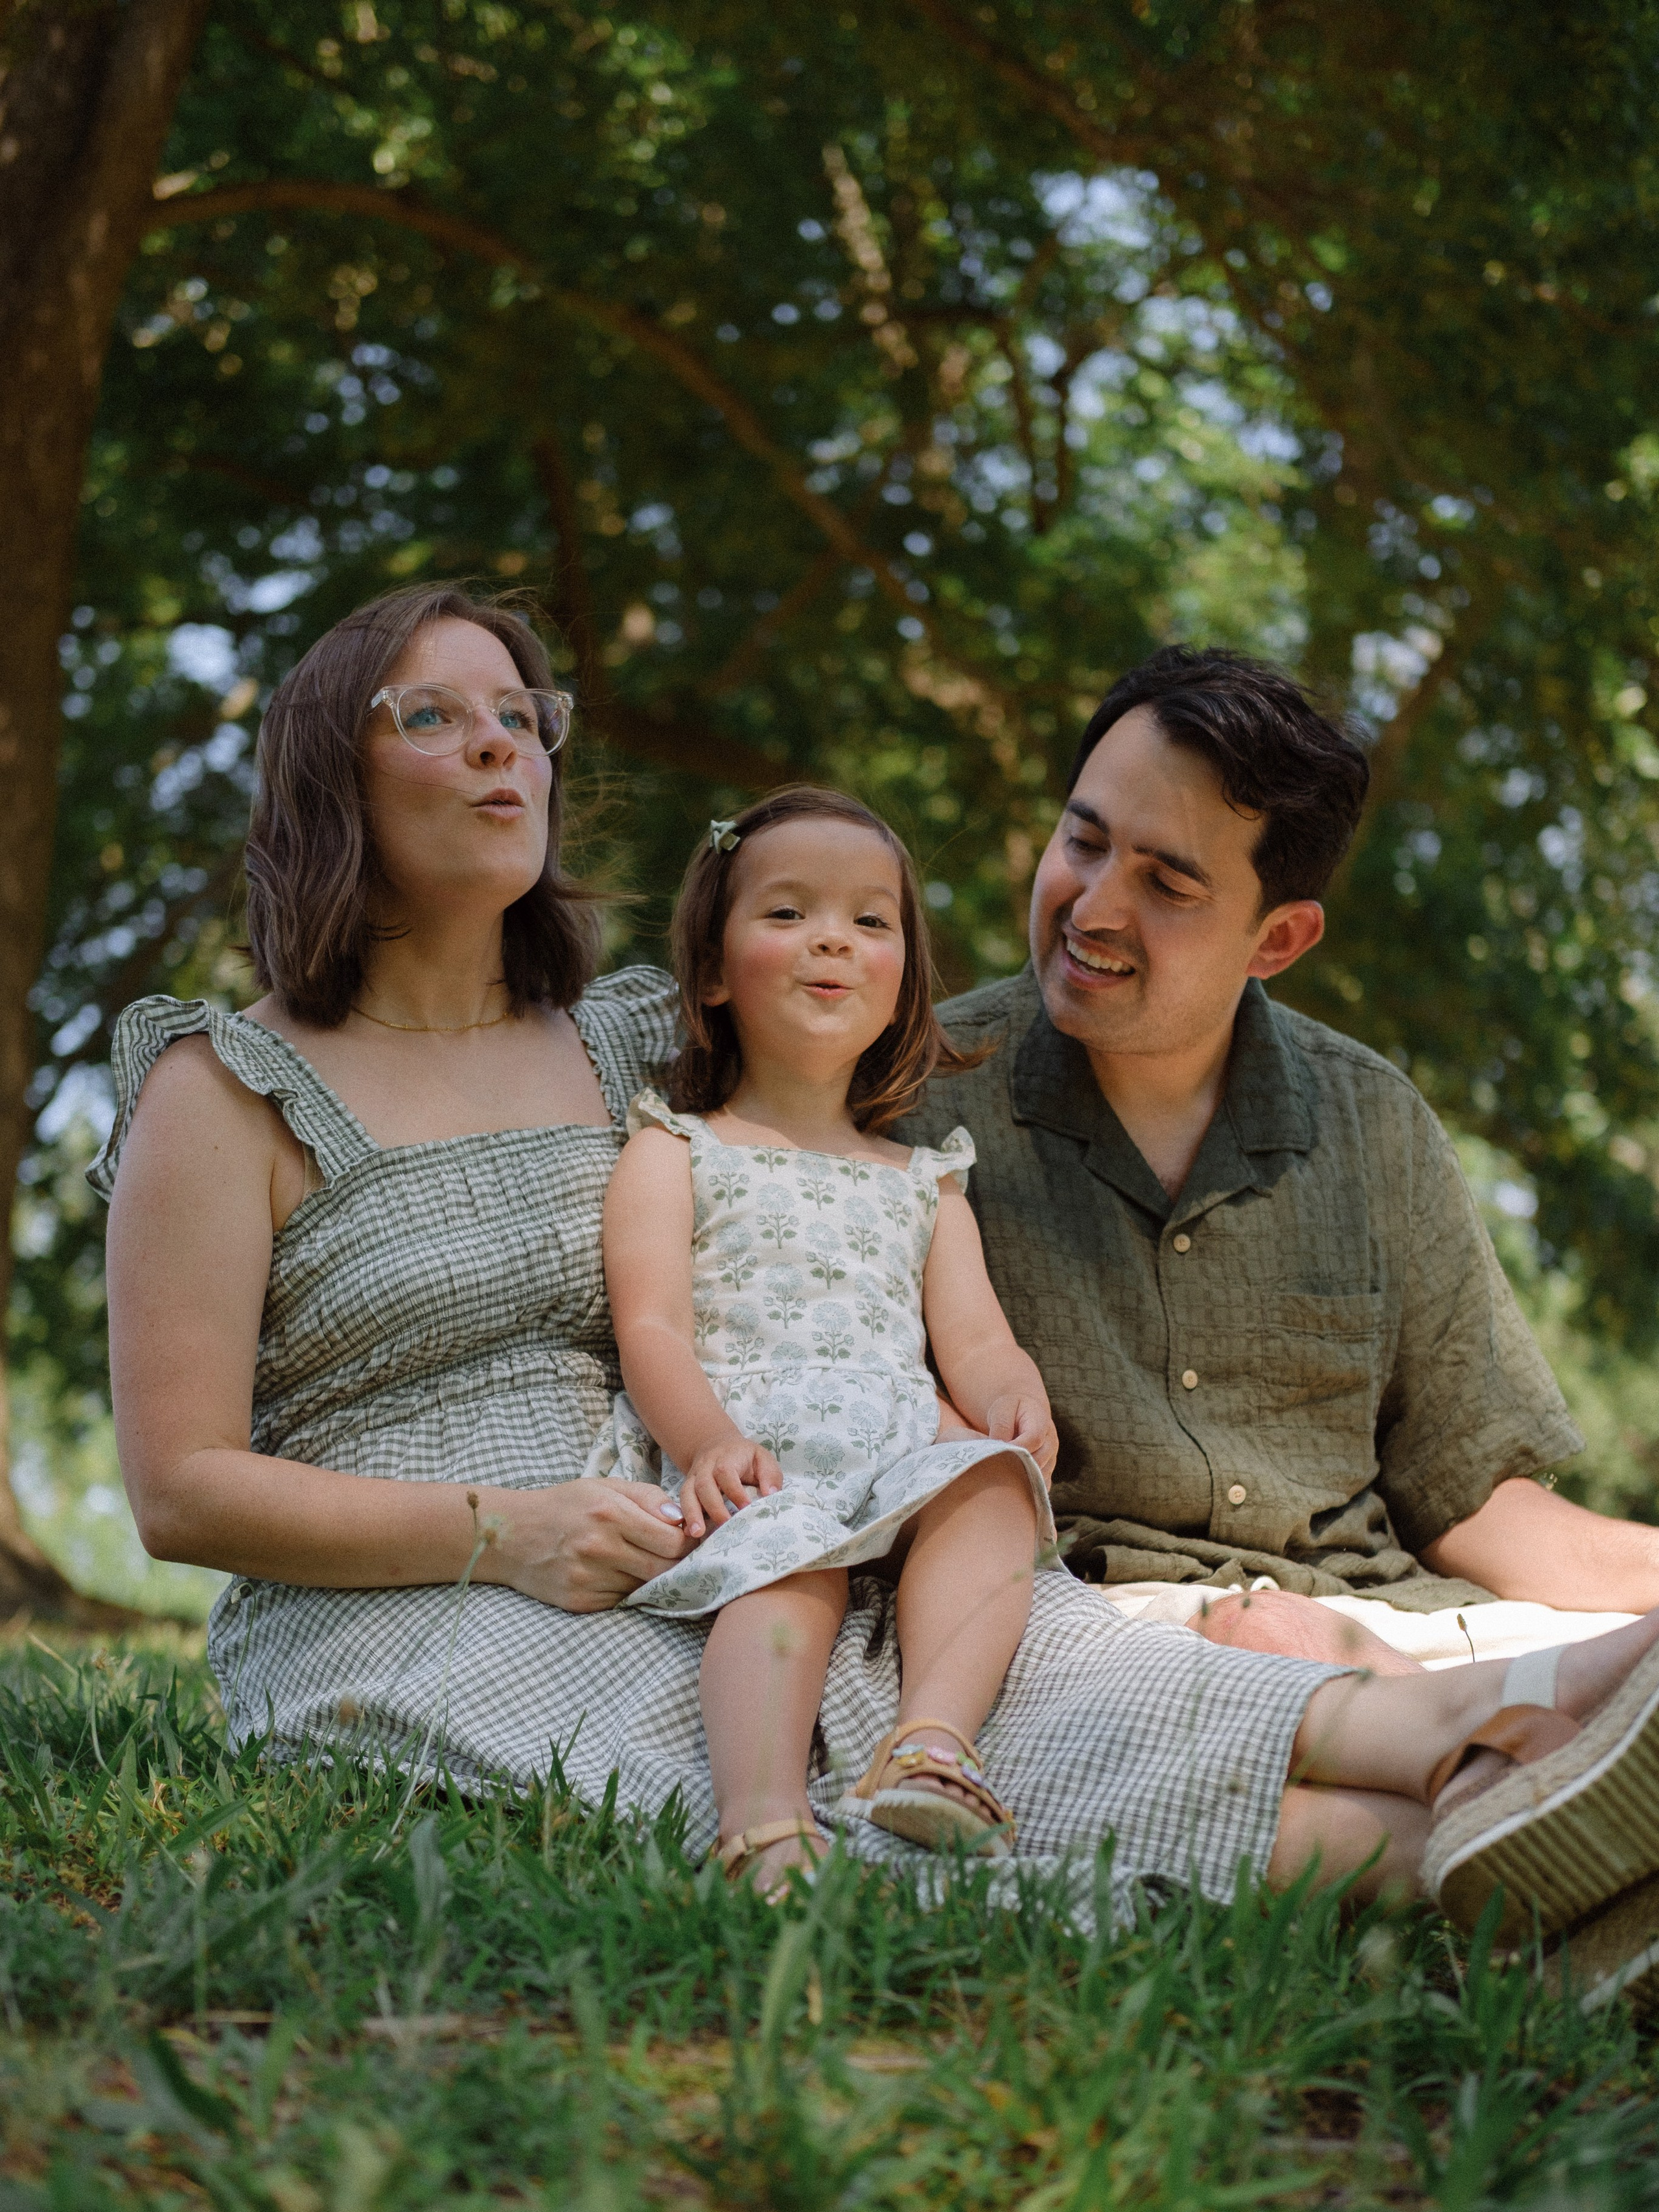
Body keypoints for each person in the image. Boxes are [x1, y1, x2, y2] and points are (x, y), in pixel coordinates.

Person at [89, 582, 1659, 2012]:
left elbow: (833, 1132)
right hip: (415, 1595)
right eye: (431, 716)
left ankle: (1530, 1765)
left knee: (1036, 1689)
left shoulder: (636, 1044)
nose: (500, 747)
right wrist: (507, 1528)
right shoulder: (222, 1089)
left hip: (695, 1541)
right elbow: (180, 1492)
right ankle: (1484, 1873)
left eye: (522, 715)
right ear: (324, 772)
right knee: (763, 1782)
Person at [896, 646, 1659, 1673]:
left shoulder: (1374, 1122)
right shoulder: (911, 1093)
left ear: (1280, 939)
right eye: (1084, 841)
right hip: (1092, 1635)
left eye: (1166, 884)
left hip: (1394, 1629)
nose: (1094, 908)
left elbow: (1473, 1502)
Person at [594, 787, 1057, 1891]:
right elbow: (648, 1324)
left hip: (900, 1440)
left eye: (870, 920)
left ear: (903, 982)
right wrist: (706, 1441)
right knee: (788, 1568)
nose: (834, 940)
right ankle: (761, 1819)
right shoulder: (679, 1147)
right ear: (712, 971)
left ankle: (931, 1742)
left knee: (993, 1491)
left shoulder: (925, 1177)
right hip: (761, 1448)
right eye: (789, 913)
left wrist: (1011, 1399)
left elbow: (977, 1340)